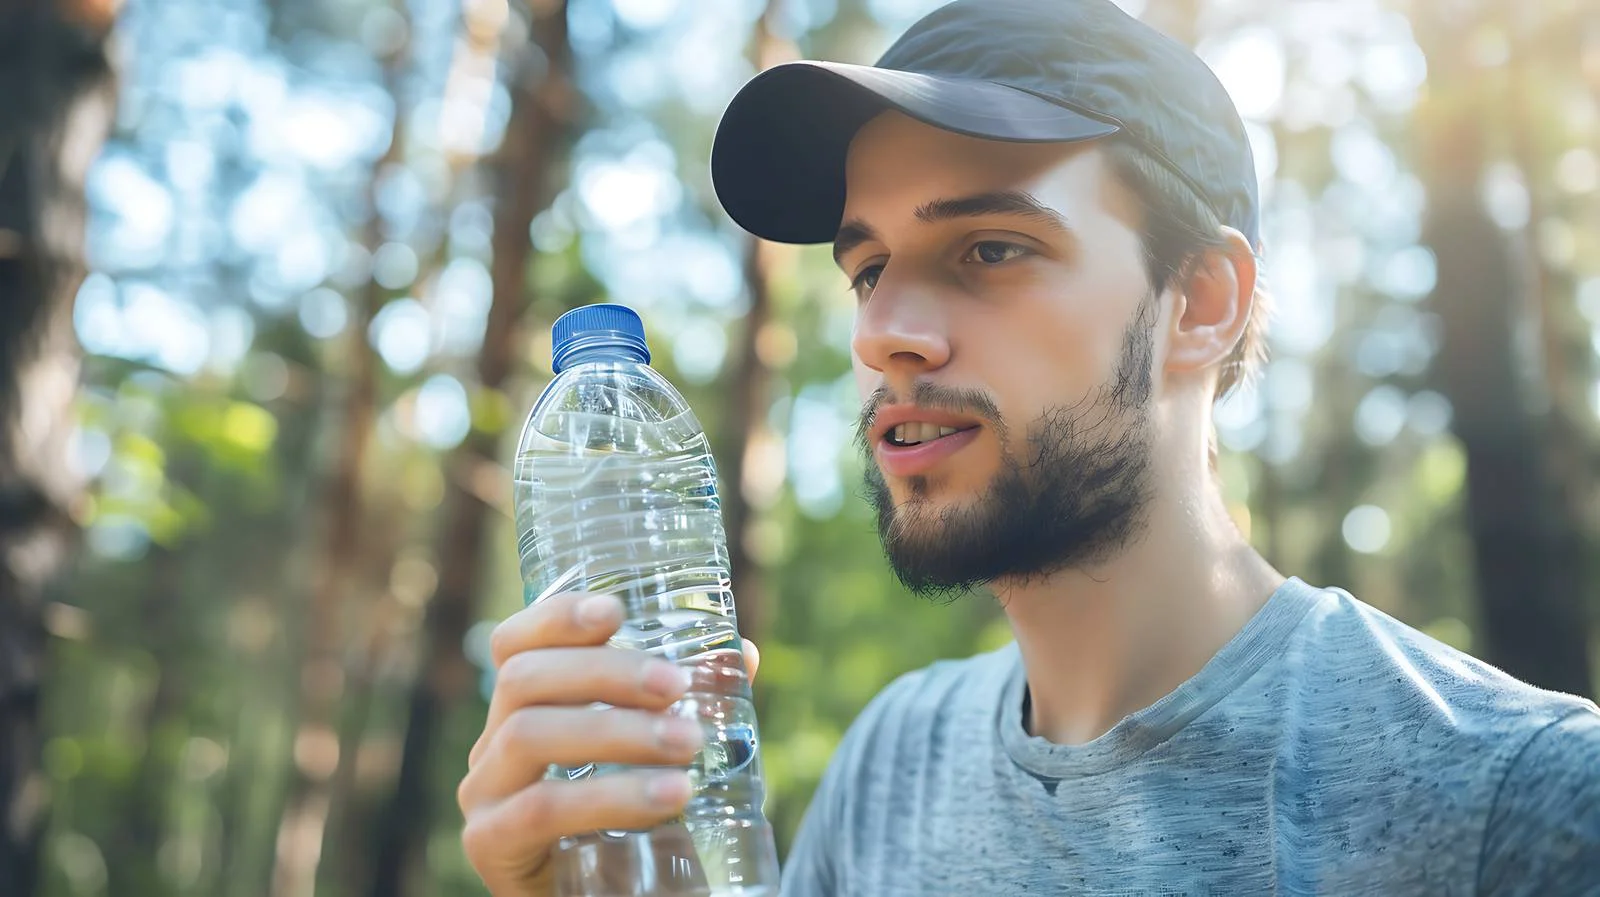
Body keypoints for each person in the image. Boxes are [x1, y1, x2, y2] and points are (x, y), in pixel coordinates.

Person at [456, 0, 1600, 893]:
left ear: (1201, 302)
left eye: (990, 250)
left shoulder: (1518, 797)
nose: (881, 332)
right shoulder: (889, 763)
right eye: (867, 268)